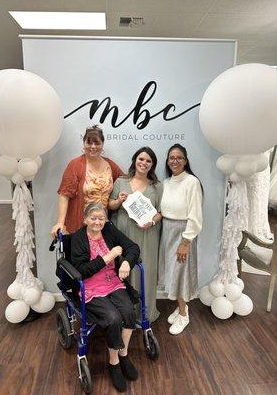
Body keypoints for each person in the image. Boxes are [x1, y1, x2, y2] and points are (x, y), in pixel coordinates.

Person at [70, 203, 140, 392]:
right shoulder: (78, 239)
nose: (97, 222)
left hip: (113, 282)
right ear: (85, 219)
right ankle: (114, 362)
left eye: (101, 218)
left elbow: (133, 247)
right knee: (113, 318)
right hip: (91, 286)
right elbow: (81, 271)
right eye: (93, 218)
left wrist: (126, 261)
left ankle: (124, 354)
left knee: (128, 312)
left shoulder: (109, 230)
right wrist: (108, 257)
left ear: (106, 219)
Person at [109, 147, 163, 322]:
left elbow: (162, 211)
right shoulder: (120, 182)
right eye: (141, 159)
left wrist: (153, 221)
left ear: (152, 165)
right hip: (124, 234)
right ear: (134, 160)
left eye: (148, 161)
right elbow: (110, 206)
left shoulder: (157, 186)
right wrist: (119, 200)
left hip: (148, 235)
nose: (144, 163)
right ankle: (125, 314)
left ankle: (144, 313)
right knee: (124, 271)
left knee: (145, 271)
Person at [159, 143, 202, 335]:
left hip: (183, 232)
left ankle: (184, 314)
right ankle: (180, 307)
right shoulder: (166, 183)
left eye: (179, 158)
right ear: (167, 161)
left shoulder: (191, 182)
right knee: (172, 273)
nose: (174, 161)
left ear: (185, 161)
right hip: (167, 230)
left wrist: (186, 242)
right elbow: (163, 210)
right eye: (171, 158)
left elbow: (195, 216)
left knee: (181, 274)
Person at [51, 125, 123, 236]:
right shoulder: (75, 165)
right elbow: (64, 194)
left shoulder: (110, 165)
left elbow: (125, 181)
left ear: (102, 145)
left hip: (102, 226)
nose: (93, 147)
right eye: (89, 143)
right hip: (80, 226)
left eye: (97, 143)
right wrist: (60, 222)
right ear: (84, 144)